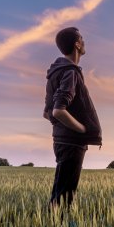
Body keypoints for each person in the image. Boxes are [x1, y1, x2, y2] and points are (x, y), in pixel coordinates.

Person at [44, 27, 102, 208]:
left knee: (61, 192)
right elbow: (57, 111)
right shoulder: (70, 72)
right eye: (82, 39)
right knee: (64, 196)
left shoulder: (56, 72)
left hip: (61, 139)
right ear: (77, 44)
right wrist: (82, 129)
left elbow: (47, 112)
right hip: (71, 141)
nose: (84, 42)